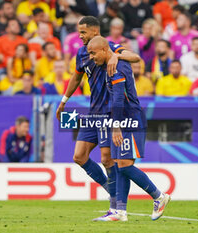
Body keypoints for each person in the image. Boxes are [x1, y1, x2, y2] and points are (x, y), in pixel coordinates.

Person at [55, 16, 140, 220]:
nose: (80, 36)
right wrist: (64, 100)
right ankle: (112, 192)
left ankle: (116, 207)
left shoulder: (110, 47)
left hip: (107, 112)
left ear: (95, 32)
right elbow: (76, 76)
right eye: (79, 32)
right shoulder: (82, 53)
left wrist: (116, 57)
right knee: (79, 156)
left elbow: (135, 57)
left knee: (108, 159)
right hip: (92, 111)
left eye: (83, 32)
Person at [87, 36, 170, 221]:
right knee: (119, 163)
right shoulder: (111, 62)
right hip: (122, 120)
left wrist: (116, 126)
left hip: (129, 120)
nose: (92, 57)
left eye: (93, 53)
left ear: (104, 50)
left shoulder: (115, 67)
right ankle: (120, 211)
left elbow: (118, 99)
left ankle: (159, 196)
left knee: (124, 165)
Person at [0, 19, 28, 90]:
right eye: (13, 25)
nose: (17, 26)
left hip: (20, 67)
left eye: (17, 25)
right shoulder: (0, 40)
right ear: (7, 29)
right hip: (5, 68)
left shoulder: (23, 40)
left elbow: (26, 56)